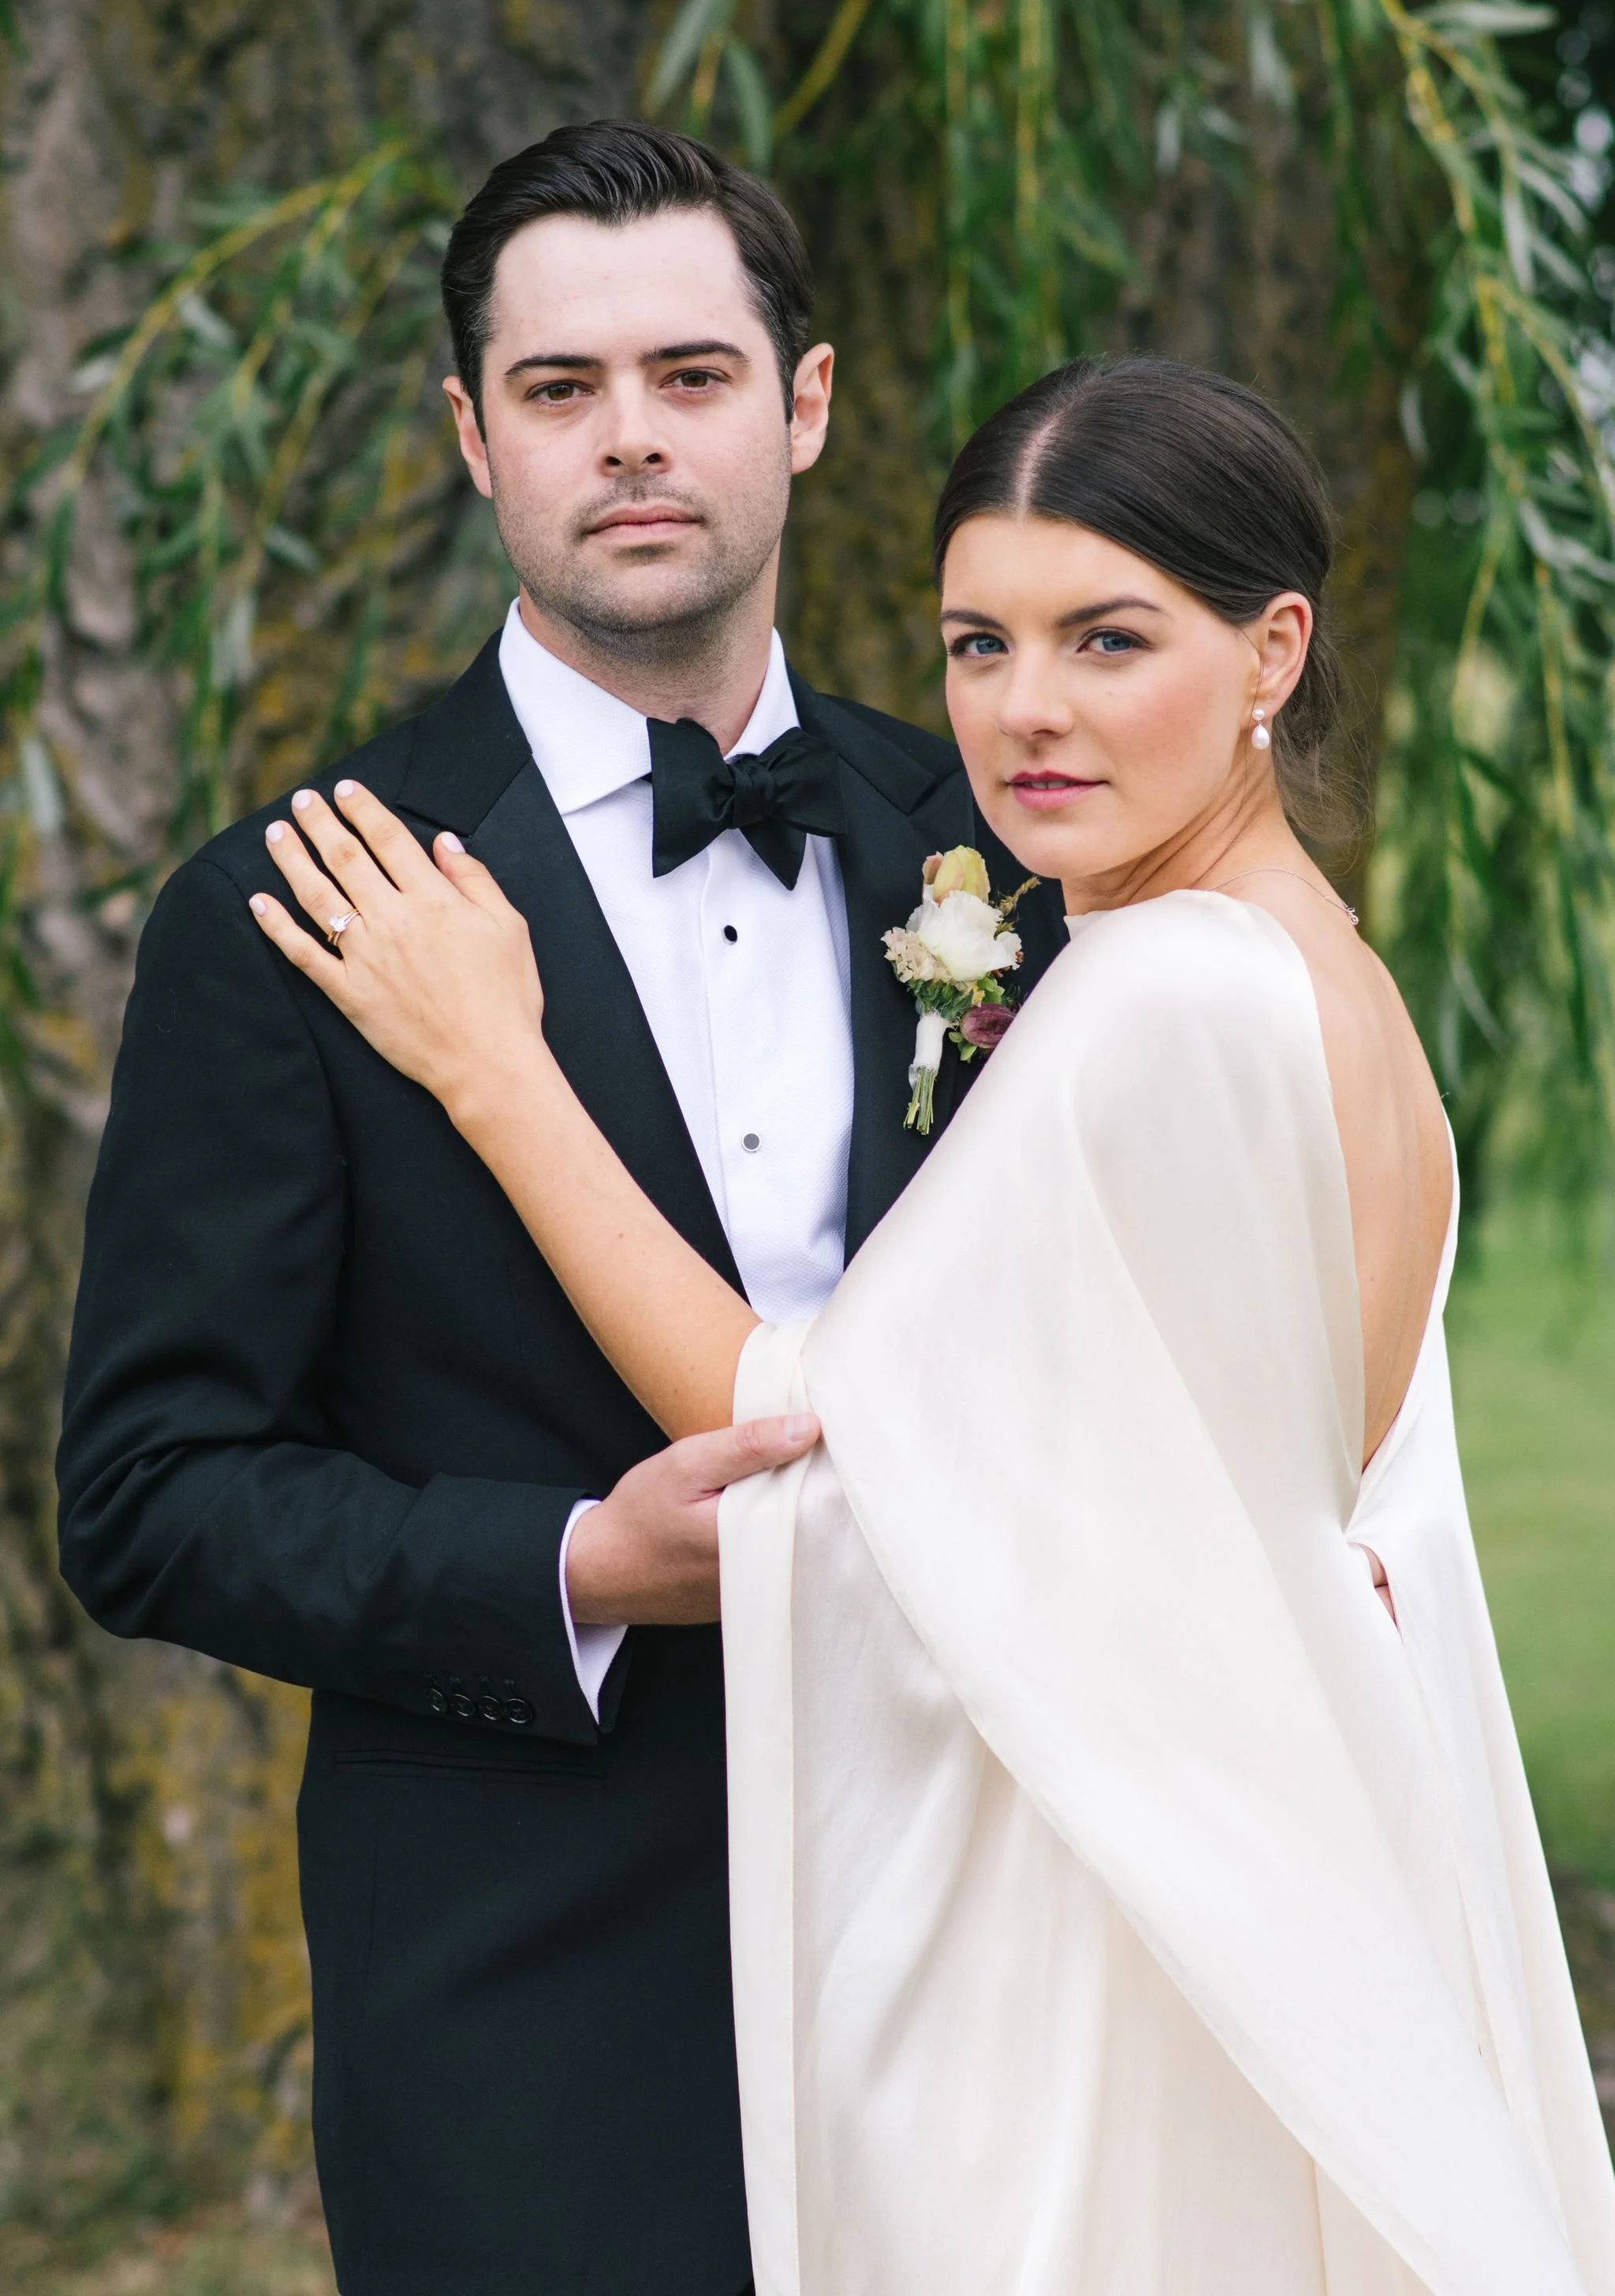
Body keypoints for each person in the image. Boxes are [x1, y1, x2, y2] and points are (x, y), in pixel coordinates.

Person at [246, 356, 1615, 2294]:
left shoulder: (1157, 999)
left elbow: (797, 1427)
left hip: (1115, 1964)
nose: (1021, 708)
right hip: (1263, 1863)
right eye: (980, 642)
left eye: (1106, 638)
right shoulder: (1324, 971)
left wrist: (494, 1068)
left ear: (1273, 650)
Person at [54, 120, 1065, 2296]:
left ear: (804, 404)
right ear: (471, 438)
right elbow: (149, 1495)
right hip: (527, 2001)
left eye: (692, 376)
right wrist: (579, 1566)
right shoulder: (294, 907)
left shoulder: (996, 850)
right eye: (559, 388)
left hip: (986, 1943)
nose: (631, 439)